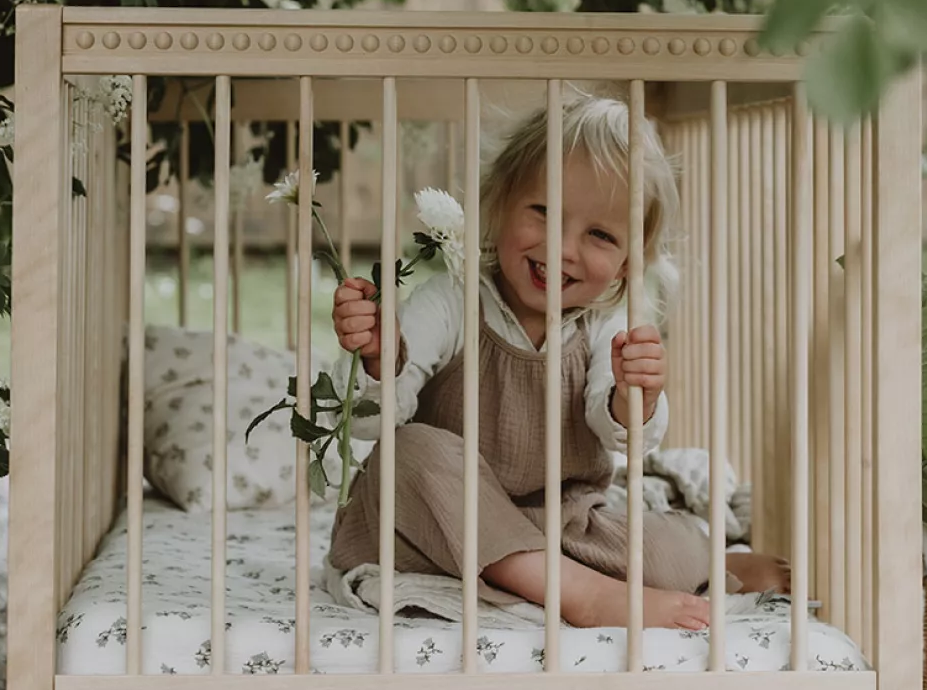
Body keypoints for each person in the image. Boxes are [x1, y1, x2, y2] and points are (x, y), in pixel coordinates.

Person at [327, 94, 788, 631]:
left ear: (628, 263)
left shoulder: (608, 325)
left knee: (672, 545)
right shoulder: (452, 300)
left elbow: (626, 439)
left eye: (600, 235)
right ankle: (580, 592)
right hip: (440, 525)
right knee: (405, 450)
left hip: (561, 528)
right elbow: (367, 423)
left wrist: (633, 395)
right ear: (501, 202)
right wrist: (380, 360)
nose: (563, 248)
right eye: (543, 212)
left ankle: (707, 563)